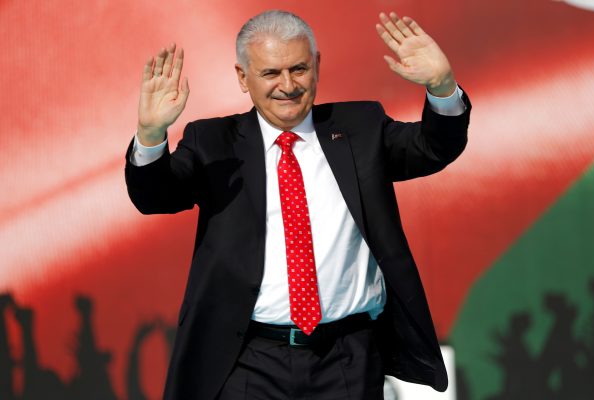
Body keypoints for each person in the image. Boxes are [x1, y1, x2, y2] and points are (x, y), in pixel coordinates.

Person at [125, 9, 471, 400]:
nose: (287, 85)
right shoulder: (213, 142)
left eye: (299, 69)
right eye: (270, 73)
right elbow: (155, 197)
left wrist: (442, 86)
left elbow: (433, 147)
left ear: (317, 65)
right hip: (249, 360)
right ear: (243, 77)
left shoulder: (360, 127)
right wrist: (151, 135)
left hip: (347, 358)